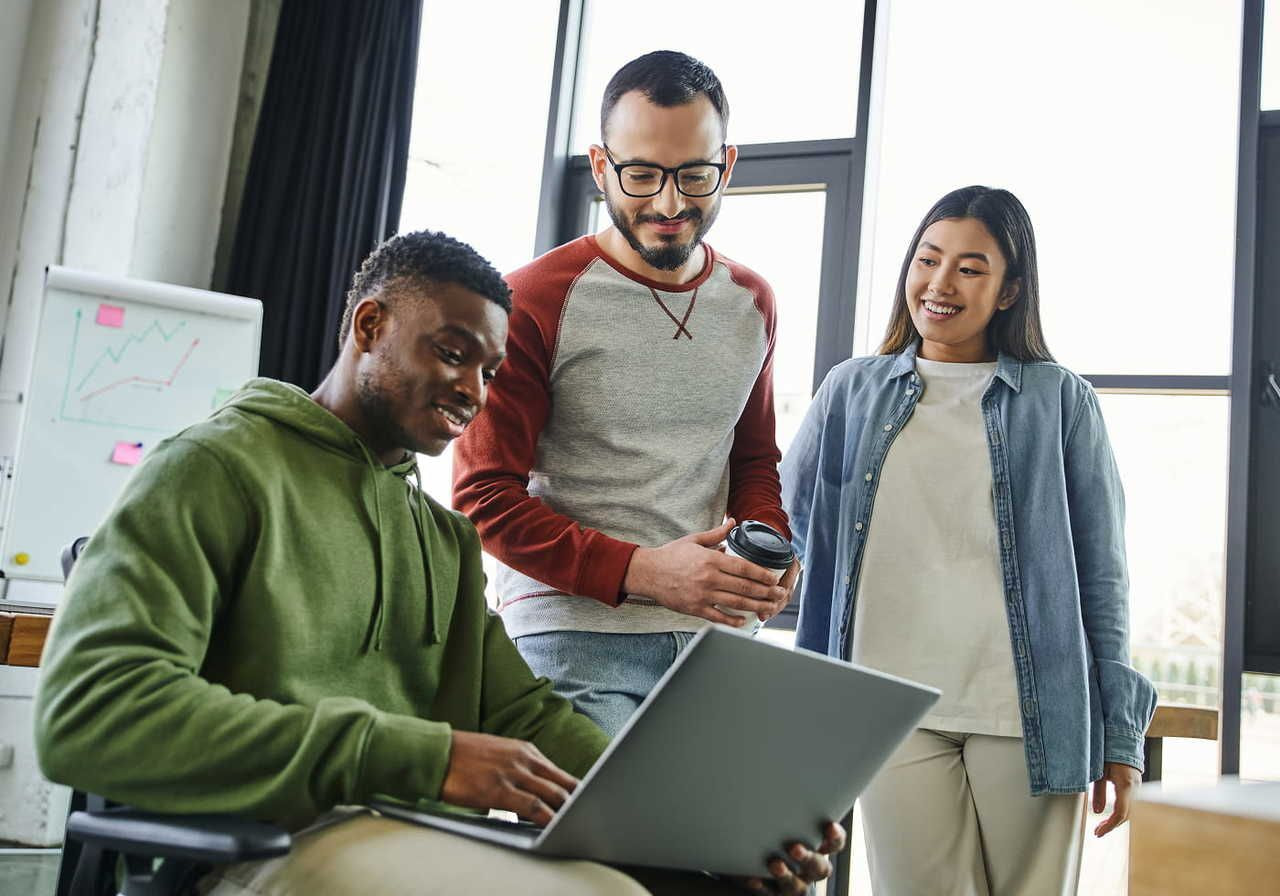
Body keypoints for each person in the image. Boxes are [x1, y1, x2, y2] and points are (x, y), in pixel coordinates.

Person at [33, 230, 841, 895]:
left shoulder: (439, 538)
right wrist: (423, 755)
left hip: (404, 840)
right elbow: (91, 714)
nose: (475, 391)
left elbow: (530, 719)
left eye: (490, 371)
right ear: (370, 326)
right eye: (453, 353)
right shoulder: (215, 469)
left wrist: (718, 831)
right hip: (255, 849)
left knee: (638, 889)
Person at [780, 186, 1157, 895]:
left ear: (1011, 289)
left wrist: (1120, 736)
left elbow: (1102, 576)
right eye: (928, 259)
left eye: (970, 268)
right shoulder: (849, 391)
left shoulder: (1058, 400)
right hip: (888, 707)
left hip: (1028, 713)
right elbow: (784, 526)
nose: (939, 283)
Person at [453, 51, 798, 737]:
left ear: (726, 165)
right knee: (599, 848)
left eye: (694, 175)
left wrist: (772, 548)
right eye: (641, 175)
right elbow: (483, 498)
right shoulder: (531, 299)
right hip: (570, 638)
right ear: (602, 165)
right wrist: (644, 571)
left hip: (717, 641)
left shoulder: (751, 300)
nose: (669, 205)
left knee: (733, 844)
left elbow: (752, 462)